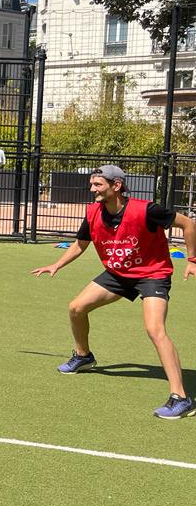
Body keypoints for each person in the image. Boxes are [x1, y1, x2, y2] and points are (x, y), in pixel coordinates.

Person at [32, 165, 196, 420]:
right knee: (76, 308)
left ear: (116, 185)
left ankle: (181, 398)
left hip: (152, 274)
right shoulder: (93, 213)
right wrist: (56, 264)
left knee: (155, 329)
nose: (92, 189)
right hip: (118, 274)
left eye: (97, 185)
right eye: (91, 185)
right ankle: (83, 356)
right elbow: (80, 245)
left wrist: (192, 259)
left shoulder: (147, 210)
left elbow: (187, 223)